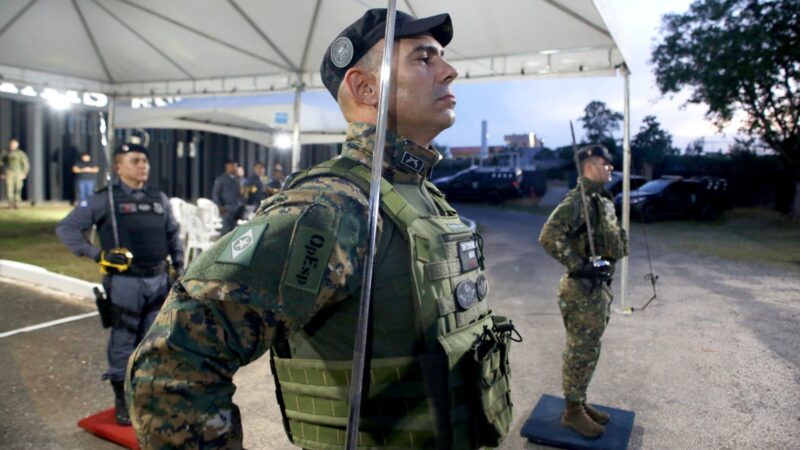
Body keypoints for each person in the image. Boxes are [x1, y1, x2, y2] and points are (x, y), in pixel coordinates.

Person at [128, 9, 515, 450]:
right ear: (365, 87)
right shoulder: (333, 205)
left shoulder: (417, 193)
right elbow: (174, 362)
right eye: (425, 58)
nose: (450, 71)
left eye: (441, 57)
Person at [56, 142, 184, 426]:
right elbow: (67, 228)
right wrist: (96, 254)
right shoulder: (106, 199)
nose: (143, 166)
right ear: (118, 166)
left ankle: (146, 392)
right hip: (125, 282)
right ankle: (121, 398)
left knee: (153, 341)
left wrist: (179, 268)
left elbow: (173, 234)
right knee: (124, 339)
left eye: (146, 161)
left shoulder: (158, 197)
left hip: (158, 279)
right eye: (136, 160)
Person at [538, 144, 628, 438]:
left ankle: (580, 401)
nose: (610, 168)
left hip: (598, 289)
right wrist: (579, 264)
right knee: (580, 351)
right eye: (604, 163)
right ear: (589, 166)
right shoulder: (577, 202)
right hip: (581, 289)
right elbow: (548, 236)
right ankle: (572, 412)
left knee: (589, 350)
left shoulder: (600, 199)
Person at [212, 160, 245, 234]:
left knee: (235, 231)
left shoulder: (237, 179)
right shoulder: (221, 179)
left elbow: (240, 193)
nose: (235, 168)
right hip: (227, 209)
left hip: (237, 209)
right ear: (227, 167)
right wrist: (220, 206)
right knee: (226, 231)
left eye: (236, 166)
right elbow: (215, 194)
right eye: (233, 166)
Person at [1, 139, 30, 209]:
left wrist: (24, 173)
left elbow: (26, 164)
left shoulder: (21, 154)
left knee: (18, 188)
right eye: (11, 144)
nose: (12, 146)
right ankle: (10, 204)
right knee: (9, 189)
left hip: (18, 173)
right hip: (9, 173)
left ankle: (17, 203)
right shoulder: (5, 153)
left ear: (17, 145)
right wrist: (1, 173)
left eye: (14, 144)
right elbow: (1, 163)